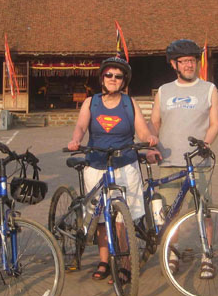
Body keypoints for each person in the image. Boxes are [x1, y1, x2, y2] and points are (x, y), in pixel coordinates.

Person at [67, 57, 157, 282]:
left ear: (123, 80)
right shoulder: (91, 102)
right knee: (100, 217)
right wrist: (76, 140)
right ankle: (104, 260)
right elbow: (80, 126)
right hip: (97, 162)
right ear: (102, 78)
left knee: (122, 218)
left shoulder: (129, 103)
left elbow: (142, 131)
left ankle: (125, 263)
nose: (113, 79)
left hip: (125, 162)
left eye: (118, 76)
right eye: (109, 75)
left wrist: (150, 140)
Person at [148, 39, 218, 279]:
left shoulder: (209, 88)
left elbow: (215, 123)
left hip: (197, 161)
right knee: (169, 213)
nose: (190, 65)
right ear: (174, 64)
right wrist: (150, 141)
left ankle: (207, 254)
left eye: (192, 60)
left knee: (203, 210)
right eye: (184, 61)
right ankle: (173, 253)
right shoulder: (164, 90)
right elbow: (155, 121)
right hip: (168, 160)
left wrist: (206, 144)